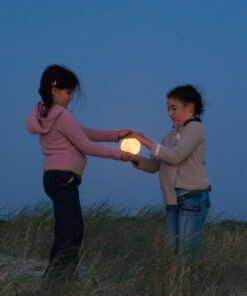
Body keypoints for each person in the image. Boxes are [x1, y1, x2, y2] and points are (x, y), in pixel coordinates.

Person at [26, 65, 133, 278]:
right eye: (68, 92)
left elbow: (84, 132)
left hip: (54, 176)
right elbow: (86, 146)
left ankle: (59, 274)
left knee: (69, 227)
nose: (72, 96)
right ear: (54, 91)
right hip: (64, 177)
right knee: (70, 230)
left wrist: (117, 135)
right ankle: (60, 277)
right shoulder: (62, 116)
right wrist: (119, 155)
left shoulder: (47, 115)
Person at [130, 85, 211, 259]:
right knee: (175, 252)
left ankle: (195, 286)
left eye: (174, 108)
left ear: (189, 108)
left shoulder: (195, 129)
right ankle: (180, 286)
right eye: (168, 109)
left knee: (187, 253)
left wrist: (146, 142)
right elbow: (156, 166)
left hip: (192, 197)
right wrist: (133, 158)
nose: (170, 113)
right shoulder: (168, 137)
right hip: (172, 201)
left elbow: (176, 156)